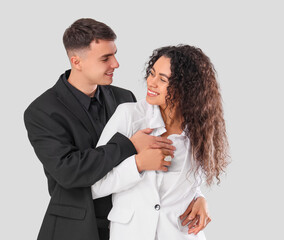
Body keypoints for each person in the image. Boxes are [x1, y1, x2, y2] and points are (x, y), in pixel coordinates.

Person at [24, 18, 209, 240]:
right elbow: (68, 171)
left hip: (128, 223)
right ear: (77, 61)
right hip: (76, 226)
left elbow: (163, 168)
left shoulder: (124, 98)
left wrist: (196, 196)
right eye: (105, 58)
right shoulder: (42, 111)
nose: (116, 64)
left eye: (114, 54)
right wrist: (130, 146)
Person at [91, 45, 229, 240]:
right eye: (152, 73)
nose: (151, 82)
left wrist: (199, 198)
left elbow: (185, 182)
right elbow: (94, 183)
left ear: (186, 89)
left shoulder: (201, 129)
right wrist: (138, 164)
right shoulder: (129, 116)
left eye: (162, 79)